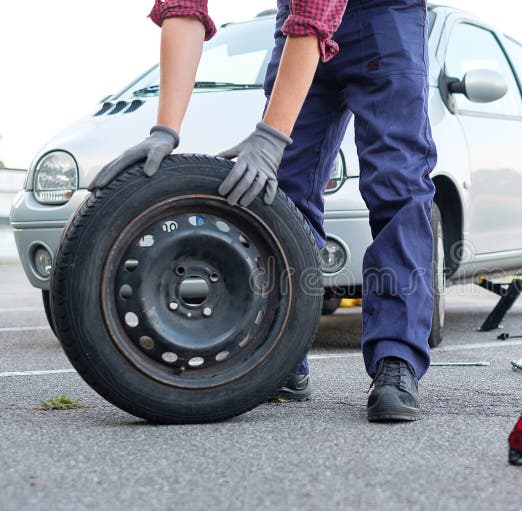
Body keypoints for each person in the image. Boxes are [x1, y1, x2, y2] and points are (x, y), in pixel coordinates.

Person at [89, 0, 437, 422]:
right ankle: (280, 355)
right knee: (281, 190)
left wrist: (270, 137)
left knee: (396, 186)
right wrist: (165, 129)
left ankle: (395, 360)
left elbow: (317, 13)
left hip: (384, 19)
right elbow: (184, 8)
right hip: (297, 22)